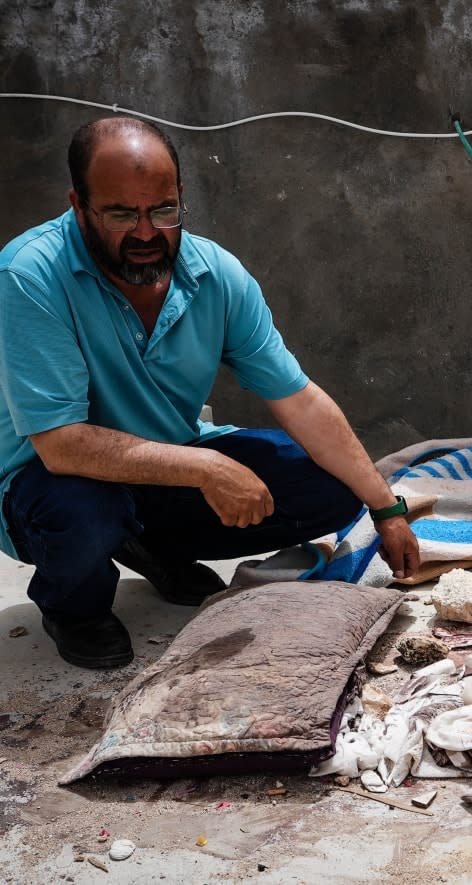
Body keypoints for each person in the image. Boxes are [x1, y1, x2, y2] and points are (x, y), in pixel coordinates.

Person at [0, 116, 419, 669]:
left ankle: (156, 547)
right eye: (122, 214)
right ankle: (72, 609)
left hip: (163, 463)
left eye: (163, 210)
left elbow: (298, 399)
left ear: (181, 198)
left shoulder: (216, 275)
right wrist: (206, 470)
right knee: (85, 511)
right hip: (50, 484)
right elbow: (62, 445)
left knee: (330, 486)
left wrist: (385, 507)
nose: (147, 233)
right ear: (79, 207)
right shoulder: (29, 276)